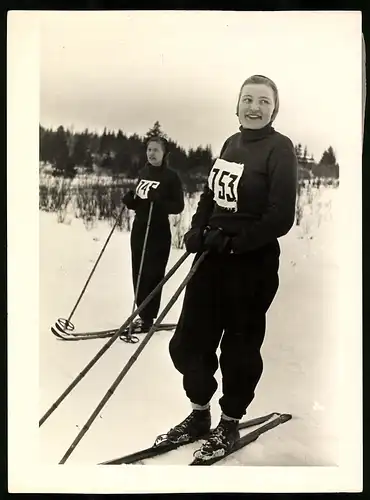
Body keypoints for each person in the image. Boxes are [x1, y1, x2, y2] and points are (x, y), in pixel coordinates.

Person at [163, 75, 298, 461]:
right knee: (189, 341)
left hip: (251, 262)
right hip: (213, 256)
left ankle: (229, 421)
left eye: (264, 102)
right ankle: (199, 414)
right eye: (248, 99)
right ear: (236, 104)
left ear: (275, 110)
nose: (254, 107)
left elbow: (281, 215)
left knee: (239, 346)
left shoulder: (279, 148)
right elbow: (210, 193)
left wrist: (238, 242)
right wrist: (195, 228)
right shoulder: (231, 143)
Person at [121, 136, 185, 334]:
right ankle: (141, 313)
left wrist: (159, 201)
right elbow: (141, 201)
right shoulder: (143, 173)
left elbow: (178, 206)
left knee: (152, 272)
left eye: (156, 150)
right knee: (138, 271)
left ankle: (149, 316)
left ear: (164, 153)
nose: (151, 153)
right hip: (140, 227)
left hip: (157, 230)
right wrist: (132, 201)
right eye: (149, 149)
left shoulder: (171, 177)